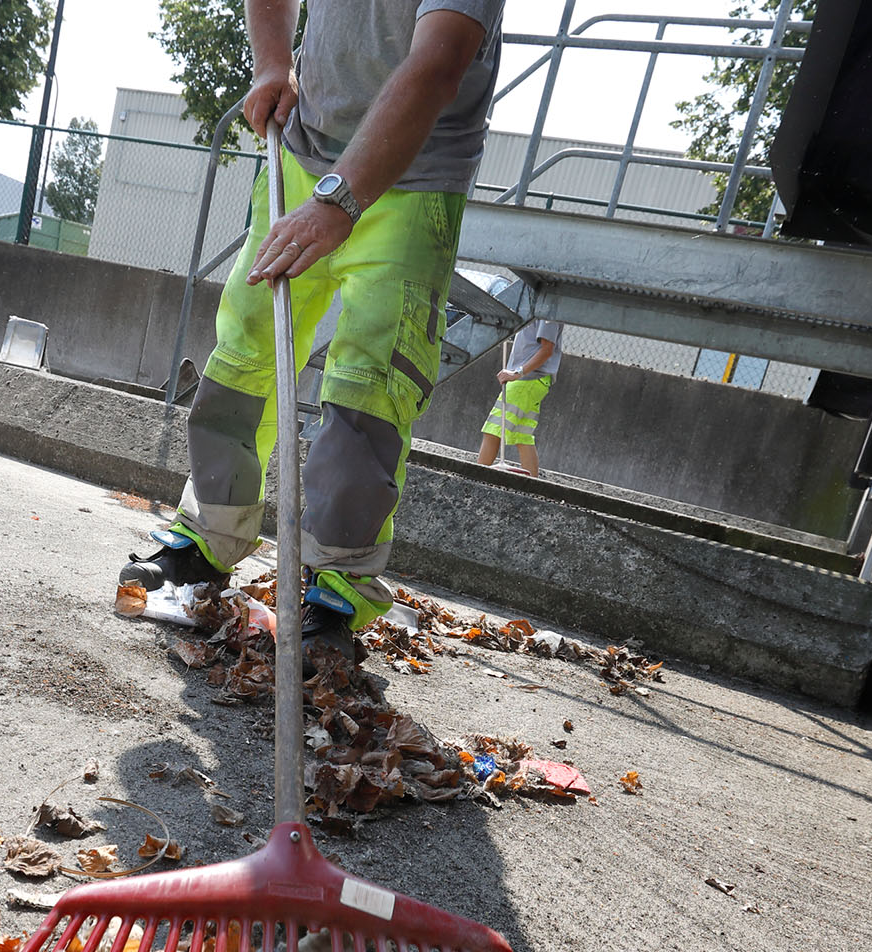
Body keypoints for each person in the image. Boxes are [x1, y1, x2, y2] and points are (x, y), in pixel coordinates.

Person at [120, 0, 505, 640]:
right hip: (303, 152)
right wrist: (274, 64)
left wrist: (343, 199)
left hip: (415, 173)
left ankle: (337, 584)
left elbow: (439, 64)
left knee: (370, 384)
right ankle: (210, 536)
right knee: (245, 350)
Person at [476, 318, 563, 477]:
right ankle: (532, 489)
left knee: (493, 430)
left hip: (527, 380)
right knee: (523, 436)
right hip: (532, 381)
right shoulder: (538, 309)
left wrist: (518, 373)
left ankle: (474, 480)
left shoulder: (548, 312)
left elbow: (547, 349)